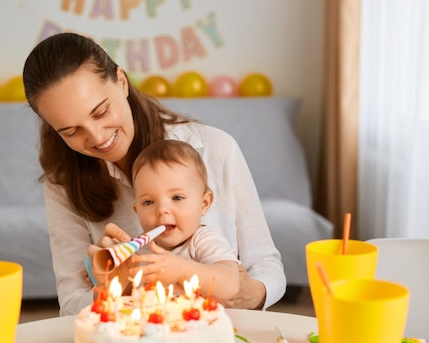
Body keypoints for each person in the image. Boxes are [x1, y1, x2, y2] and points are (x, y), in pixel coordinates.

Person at [22, 32, 285, 316]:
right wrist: (113, 287)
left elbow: (267, 266)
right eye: (71, 131)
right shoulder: (62, 183)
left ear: (121, 82)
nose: (97, 137)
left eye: (101, 112)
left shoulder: (214, 148)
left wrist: (246, 292)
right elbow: (72, 305)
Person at [130, 140, 240, 300]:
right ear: (136, 211)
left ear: (204, 203)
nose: (161, 210)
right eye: (148, 202)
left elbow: (231, 285)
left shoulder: (202, 241)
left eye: (177, 197)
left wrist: (182, 270)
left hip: (200, 323)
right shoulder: (139, 249)